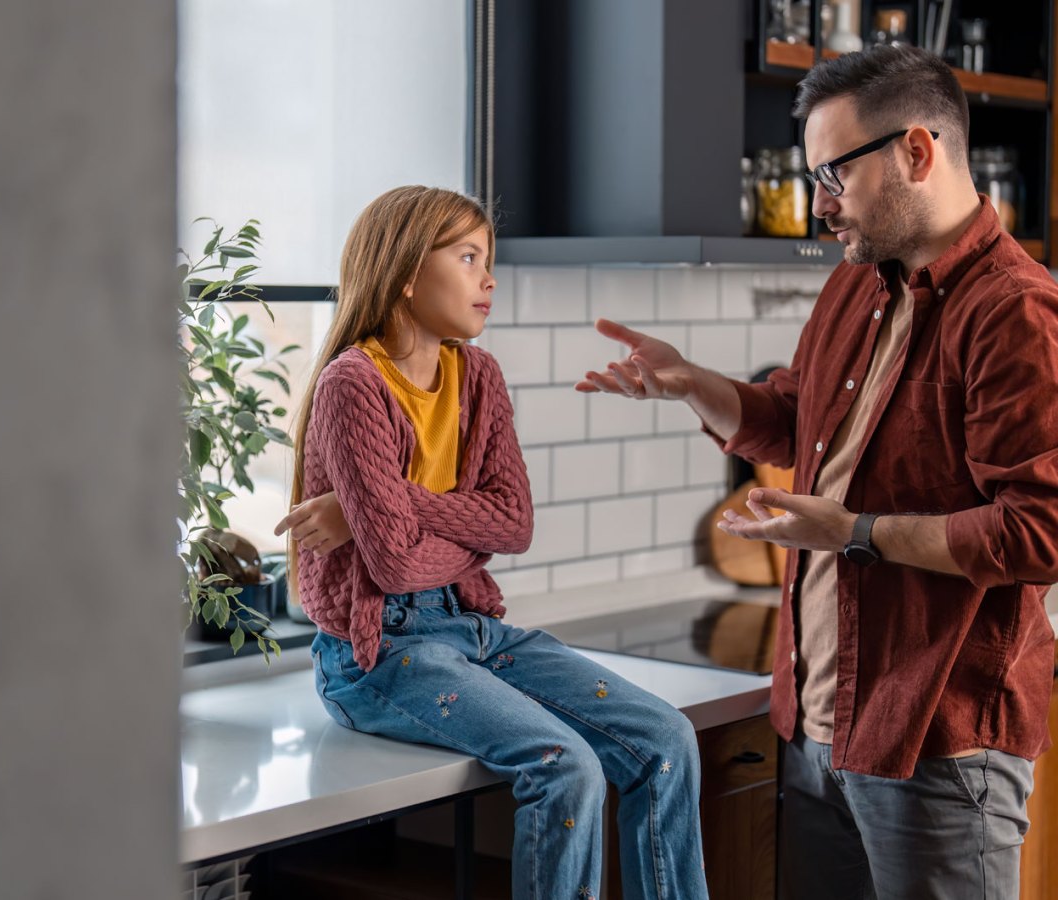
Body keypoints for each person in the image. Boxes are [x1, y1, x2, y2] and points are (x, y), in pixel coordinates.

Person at [578, 45, 1058, 900]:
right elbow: (795, 420)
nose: (819, 204)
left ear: (916, 152)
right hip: (819, 729)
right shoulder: (859, 284)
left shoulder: (1014, 312)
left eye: (834, 173)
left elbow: (1040, 530)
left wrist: (852, 533)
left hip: (939, 744)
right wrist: (695, 383)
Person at [275, 185, 709, 900]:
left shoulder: (479, 375)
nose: (489, 279)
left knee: (667, 739)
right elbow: (396, 564)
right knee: (562, 764)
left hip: (473, 628)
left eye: (490, 259)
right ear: (407, 272)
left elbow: (514, 524)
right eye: (470, 256)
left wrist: (381, 503)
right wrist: (427, 525)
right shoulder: (352, 383)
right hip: (376, 652)